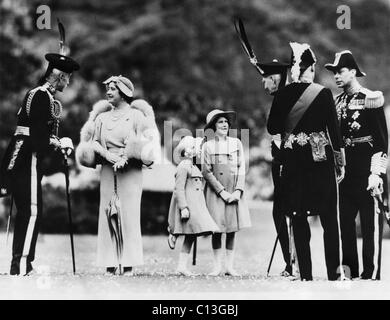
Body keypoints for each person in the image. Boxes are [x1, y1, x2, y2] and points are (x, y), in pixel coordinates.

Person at [267, 42, 345, 281]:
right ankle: (334, 273)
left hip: (293, 162)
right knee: (330, 218)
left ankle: (306, 275)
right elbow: (334, 131)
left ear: (292, 70)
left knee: (298, 216)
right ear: (309, 69)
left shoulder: (281, 94)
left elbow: (273, 127)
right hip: (320, 161)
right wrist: (340, 162)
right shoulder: (322, 93)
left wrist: (282, 101)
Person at [0, 52, 80, 275]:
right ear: (60, 76)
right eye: (68, 77)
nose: (69, 82)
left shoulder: (42, 95)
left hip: (26, 158)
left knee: (31, 211)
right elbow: (36, 138)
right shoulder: (41, 96)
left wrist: (54, 141)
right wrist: (59, 143)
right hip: (28, 159)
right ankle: (22, 265)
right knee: (32, 212)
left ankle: (24, 263)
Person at [76, 75, 160, 276]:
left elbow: (145, 142)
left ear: (124, 93)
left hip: (130, 171)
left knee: (129, 215)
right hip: (107, 169)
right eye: (108, 88)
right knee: (107, 214)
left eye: (113, 88)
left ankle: (129, 263)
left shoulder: (137, 116)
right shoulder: (102, 118)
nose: (109, 92)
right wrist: (108, 155)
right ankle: (110, 263)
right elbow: (94, 142)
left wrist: (126, 157)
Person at [325, 51, 388, 280]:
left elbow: (382, 142)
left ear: (353, 71)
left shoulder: (371, 98)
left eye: (340, 71)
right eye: (334, 73)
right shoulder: (338, 101)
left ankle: (370, 273)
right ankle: (349, 270)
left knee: (370, 224)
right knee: (345, 223)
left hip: (367, 170)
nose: (336, 77)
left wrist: (376, 174)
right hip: (346, 172)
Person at [202, 109, 251, 276]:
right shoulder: (208, 146)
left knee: (231, 229)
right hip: (217, 192)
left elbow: (242, 167)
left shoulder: (236, 143)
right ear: (213, 126)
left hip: (234, 190)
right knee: (217, 229)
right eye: (220, 122)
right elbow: (206, 171)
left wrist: (238, 190)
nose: (224, 125)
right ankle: (217, 266)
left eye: (225, 122)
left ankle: (229, 266)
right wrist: (221, 192)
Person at [167, 136, 219, 276]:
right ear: (185, 151)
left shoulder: (194, 166)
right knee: (191, 230)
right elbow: (179, 188)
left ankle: (181, 266)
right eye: (193, 148)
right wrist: (183, 207)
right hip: (188, 204)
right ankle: (173, 233)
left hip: (196, 205)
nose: (196, 151)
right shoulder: (183, 166)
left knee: (192, 233)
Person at [259, 59, 292, 277]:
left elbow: (272, 127)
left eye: (265, 81)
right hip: (279, 158)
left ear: (274, 79)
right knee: (280, 211)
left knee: (284, 211)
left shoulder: (284, 97)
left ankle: (292, 262)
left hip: (286, 160)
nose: (264, 85)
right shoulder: (284, 96)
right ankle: (290, 261)